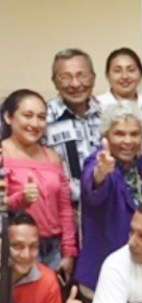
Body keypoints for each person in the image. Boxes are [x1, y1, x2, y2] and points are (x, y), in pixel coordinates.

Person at [75, 101, 142, 295]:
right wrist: (100, 173)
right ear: (106, 137)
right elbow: (92, 189)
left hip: (139, 272)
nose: (127, 141)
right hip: (102, 275)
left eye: (134, 134)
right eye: (119, 134)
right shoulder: (98, 161)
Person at [2, 89, 77, 278]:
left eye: (41, 117)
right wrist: (21, 199)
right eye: (27, 116)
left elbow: (64, 208)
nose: (35, 124)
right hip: (15, 248)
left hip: (53, 248)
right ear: (8, 117)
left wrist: (68, 251)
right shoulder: (3, 154)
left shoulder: (52, 157)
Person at [45, 48, 102, 201]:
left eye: (81, 75)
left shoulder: (107, 116)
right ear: (55, 81)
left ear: (93, 78)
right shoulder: (41, 118)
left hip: (104, 208)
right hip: (60, 209)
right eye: (65, 77)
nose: (75, 84)